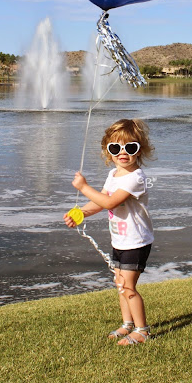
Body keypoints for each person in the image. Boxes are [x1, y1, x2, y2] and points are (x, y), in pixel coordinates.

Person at [63, 118, 154, 345]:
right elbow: (101, 202)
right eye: (115, 147)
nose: (123, 152)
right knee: (120, 285)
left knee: (128, 287)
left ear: (139, 150)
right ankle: (127, 324)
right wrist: (81, 213)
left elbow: (111, 202)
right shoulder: (113, 175)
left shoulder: (136, 178)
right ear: (108, 150)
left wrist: (84, 187)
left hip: (136, 242)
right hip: (120, 241)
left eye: (130, 147)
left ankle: (142, 331)